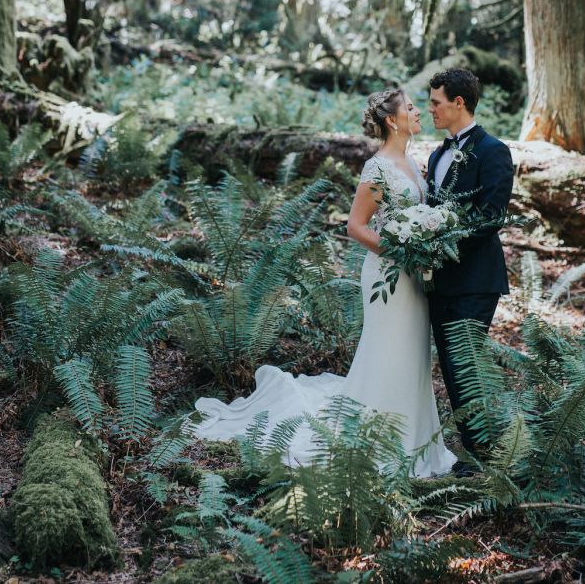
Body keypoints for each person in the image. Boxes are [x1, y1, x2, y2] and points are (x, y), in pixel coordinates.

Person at [191, 88, 456, 477]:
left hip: (415, 277)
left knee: (413, 352)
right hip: (387, 275)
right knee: (388, 351)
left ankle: (415, 440)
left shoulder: (414, 165)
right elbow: (355, 226)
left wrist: (425, 246)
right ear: (391, 121)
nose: (419, 112)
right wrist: (398, 251)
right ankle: (372, 441)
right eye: (411, 108)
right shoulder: (377, 168)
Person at [425, 68, 514, 471]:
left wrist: (444, 238)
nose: (431, 110)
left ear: (458, 103)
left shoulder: (493, 151)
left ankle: (485, 457)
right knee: (449, 364)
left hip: (476, 279)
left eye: (436, 102)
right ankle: (475, 451)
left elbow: (492, 216)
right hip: (438, 280)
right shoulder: (436, 154)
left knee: (468, 366)